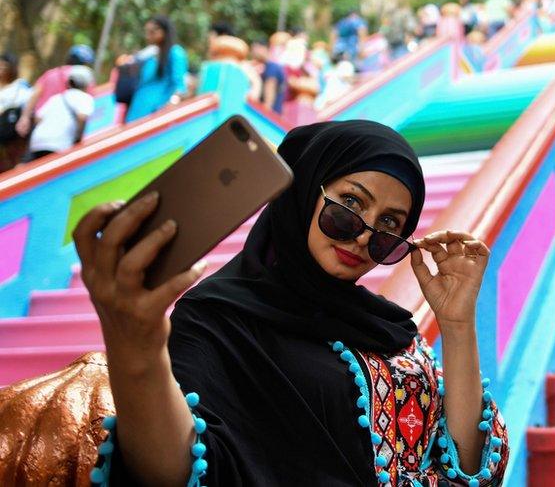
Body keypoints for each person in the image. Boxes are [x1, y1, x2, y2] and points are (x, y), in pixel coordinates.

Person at [76, 120, 509, 486]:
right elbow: (183, 468)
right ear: (302, 191)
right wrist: (135, 342)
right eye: (351, 203)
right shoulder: (220, 317)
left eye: (388, 225)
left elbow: (469, 471)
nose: (362, 235)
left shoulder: (394, 332)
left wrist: (456, 325)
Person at [15, 44, 93, 137]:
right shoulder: (86, 79)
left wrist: (25, 117)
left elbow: (34, 95)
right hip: (64, 130)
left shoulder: (51, 73)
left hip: (40, 123)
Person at [23, 65, 94, 162]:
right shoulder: (85, 98)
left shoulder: (57, 97)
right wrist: (78, 139)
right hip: (59, 143)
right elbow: (82, 117)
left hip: (37, 141)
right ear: (87, 84)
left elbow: (37, 118)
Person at [124, 15, 188, 123]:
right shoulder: (150, 54)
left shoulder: (175, 53)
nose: (148, 36)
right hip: (137, 109)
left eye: (152, 32)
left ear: (162, 32)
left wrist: (172, 103)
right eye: (147, 32)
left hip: (156, 112)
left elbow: (179, 84)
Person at [0, 52, 33, 172]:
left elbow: (28, 104)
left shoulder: (20, 86)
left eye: (4, 66)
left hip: (10, 129)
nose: (1, 69)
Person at [251, 39, 286, 114]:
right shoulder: (265, 67)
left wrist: (265, 112)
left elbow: (269, 92)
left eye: (256, 49)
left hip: (270, 115)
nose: (253, 53)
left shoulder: (271, 67)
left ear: (264, 49)